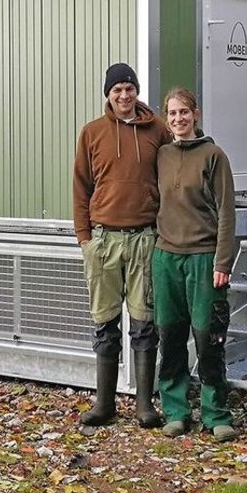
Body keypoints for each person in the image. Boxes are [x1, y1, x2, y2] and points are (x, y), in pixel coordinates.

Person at [72, 62, 171, 429]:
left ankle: (144, 405)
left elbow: (176, 174)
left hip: (145, 238)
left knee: (145, 322)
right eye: (117, 90)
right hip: (104, 240)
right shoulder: (92, 133)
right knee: (105, 322)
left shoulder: (158, 130)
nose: (124, 95)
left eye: (129, 88)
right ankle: (105, 403)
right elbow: (81, 187)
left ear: (137, 91)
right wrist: (84, 239)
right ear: (108, 95)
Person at [152, 87, 239, 441]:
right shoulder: (161, 155)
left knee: (208, 338)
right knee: (170, 336)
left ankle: (216, 414)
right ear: (166, 118)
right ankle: (175, 410)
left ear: (196, 115)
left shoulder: (214, 155)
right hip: (166, 257)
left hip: (204, 259)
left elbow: (226, 213)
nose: (178, 119)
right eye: (171, 114)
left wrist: (223, 260)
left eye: (183, 112)